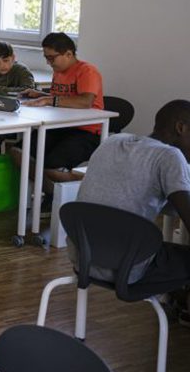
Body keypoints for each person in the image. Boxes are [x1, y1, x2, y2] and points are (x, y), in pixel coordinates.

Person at [74, 100, 190, 287]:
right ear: (181, 128)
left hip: (84, 259)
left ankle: (173, 298)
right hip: (127, 268)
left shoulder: (112, 142)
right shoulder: (170, 156)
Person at [14, 32, 105, 185]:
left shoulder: (87, 71)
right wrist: (41, 94)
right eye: (46, 58)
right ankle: (49, 191)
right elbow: (62, 98)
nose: (48, 63)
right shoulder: (58, 71)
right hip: (60, 126)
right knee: (18, 152)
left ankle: (91, 185)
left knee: (52, 168)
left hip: (85, 131)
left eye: (51, 58)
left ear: (68, 54)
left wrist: (49, 100)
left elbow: (85, 101)